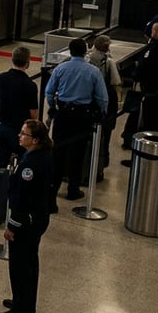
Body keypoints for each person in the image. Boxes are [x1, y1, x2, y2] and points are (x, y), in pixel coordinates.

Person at [0, 119, 54, 313]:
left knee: (20, 265)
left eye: (24, 134)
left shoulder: (30, 164)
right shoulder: (41, 156)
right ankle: (24, 301)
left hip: (26, 222)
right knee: (29, 262)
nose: (20, 136)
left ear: (36, 140)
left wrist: (13, 226)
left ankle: (21, 311)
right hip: (37, 218)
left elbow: (23, 198)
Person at [44, 38, 107, 209]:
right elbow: (102, 97)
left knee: (58, 153)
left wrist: (53, 107)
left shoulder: (61, 68)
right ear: (85, 51)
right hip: (82, 116)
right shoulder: (93, 71)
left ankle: (52, 194)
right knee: (77, 154)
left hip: (63, 115)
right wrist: (102, 112)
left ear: (70, 52)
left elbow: (49, 91)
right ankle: (73, 188)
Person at [0, 46, 40, 169]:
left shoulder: (1, 78)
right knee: (24, 162)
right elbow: (34, 114)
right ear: (27, 63)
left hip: (1, 127)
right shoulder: (30, 85)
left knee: (0, 162)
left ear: (12, 59)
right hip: (20, 131)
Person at [86, 35, 120, 181]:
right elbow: (115, 81)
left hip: (88, 100)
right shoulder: (109, 62)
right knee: (104, 136)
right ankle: (99, 167)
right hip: (105, 101)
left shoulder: (87, 59)